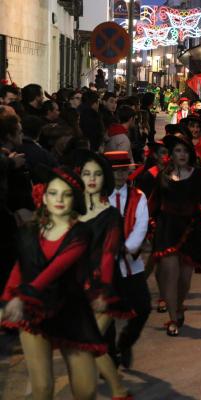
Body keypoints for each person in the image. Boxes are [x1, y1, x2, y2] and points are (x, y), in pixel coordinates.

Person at [1, 166, 103, 400]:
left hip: (71, 310)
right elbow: (20, 268)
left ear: (73, 200)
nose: (59, 199)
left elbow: (55, 269)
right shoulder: (29, 231)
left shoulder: (80, 233)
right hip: (34, 310)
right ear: (43, 196)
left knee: (86, 390)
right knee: (43, 389)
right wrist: (6, 302)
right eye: (53, 193)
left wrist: (21, 297)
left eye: (66, 194)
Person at [76, 151, 133, 399]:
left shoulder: (110, 214)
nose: (91, 179)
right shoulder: (69, 208)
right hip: (77, 287)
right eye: (86, 173)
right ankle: (117, 390)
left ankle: (116, 390)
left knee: (89, 342)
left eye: (97, 174)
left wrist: (104, 290)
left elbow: (109, 254)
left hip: (104, 287)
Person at [152, 133, 201, 337]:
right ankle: (172, 318)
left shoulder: (197, 175)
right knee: (170, 275)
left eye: (185, 151)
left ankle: (179, 306)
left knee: (185, 280)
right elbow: (153, 203)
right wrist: (144, 224)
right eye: (177, 150)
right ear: (171, 154)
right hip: (167, 229)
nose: (182, 154)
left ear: (190, 154)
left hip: (190, 229)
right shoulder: (161, 175)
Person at [104, 151, 151, 370]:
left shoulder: (138, 196)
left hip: (130, 264)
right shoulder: (98, 197)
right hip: (103, 265)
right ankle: (110, 355)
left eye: (124, 170)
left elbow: (141, 226)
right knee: (107, 313)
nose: (120, 175)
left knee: (143, 307)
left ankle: (126, 342)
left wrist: (127, 248)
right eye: (115, 171)